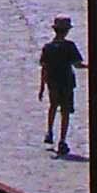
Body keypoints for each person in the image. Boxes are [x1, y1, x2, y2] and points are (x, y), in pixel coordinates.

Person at [37, 13, 83, 154]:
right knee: (65, 111)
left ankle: (49, 131)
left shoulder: (48, 47)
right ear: (67, 30)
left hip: (52, 81)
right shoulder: (70, 46)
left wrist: (42, 87)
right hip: (67, 81)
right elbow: (77, 64)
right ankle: (62, 140)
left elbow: (44, 68)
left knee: (53, 106)